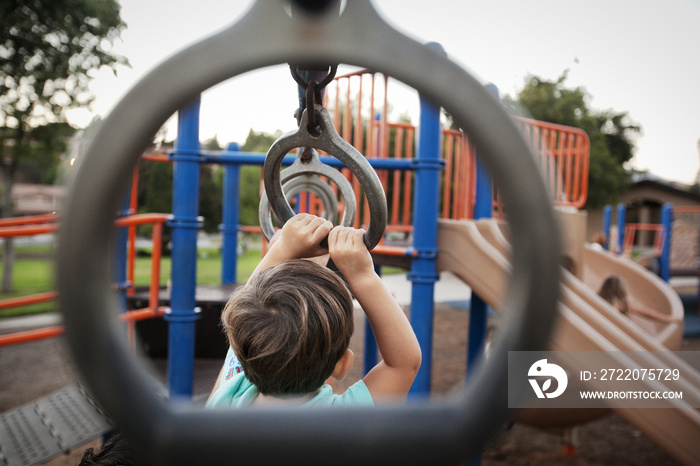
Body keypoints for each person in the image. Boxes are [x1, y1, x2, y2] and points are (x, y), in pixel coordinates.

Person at [207, 213, 421, 408]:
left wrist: (282, 250)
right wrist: (362, 275)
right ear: (341, 365)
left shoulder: (227, 401)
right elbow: (403, 364)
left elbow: (242, 324)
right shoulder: (340, 422)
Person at [598, 275, 682, 324]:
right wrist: (668, 319)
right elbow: (646, 313)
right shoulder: (619, 303)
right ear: (620, 290)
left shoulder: (598, 299)